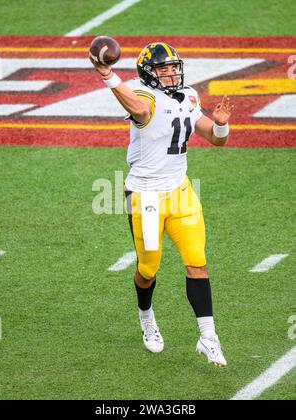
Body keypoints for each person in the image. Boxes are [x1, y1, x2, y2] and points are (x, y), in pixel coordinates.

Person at [89, 42, 233, 367]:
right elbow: (140, 112)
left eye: (173, 68)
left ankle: (208, 338)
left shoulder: (190, 95)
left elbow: (215, 138)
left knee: (197, 262)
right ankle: (146, 317)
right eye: (163, 69)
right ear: (148, 73)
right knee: (147, 269)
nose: (170, 74)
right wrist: (109, 75)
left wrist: (221, 123)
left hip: (181, 191)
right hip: (145, 196)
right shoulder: (144, 95)